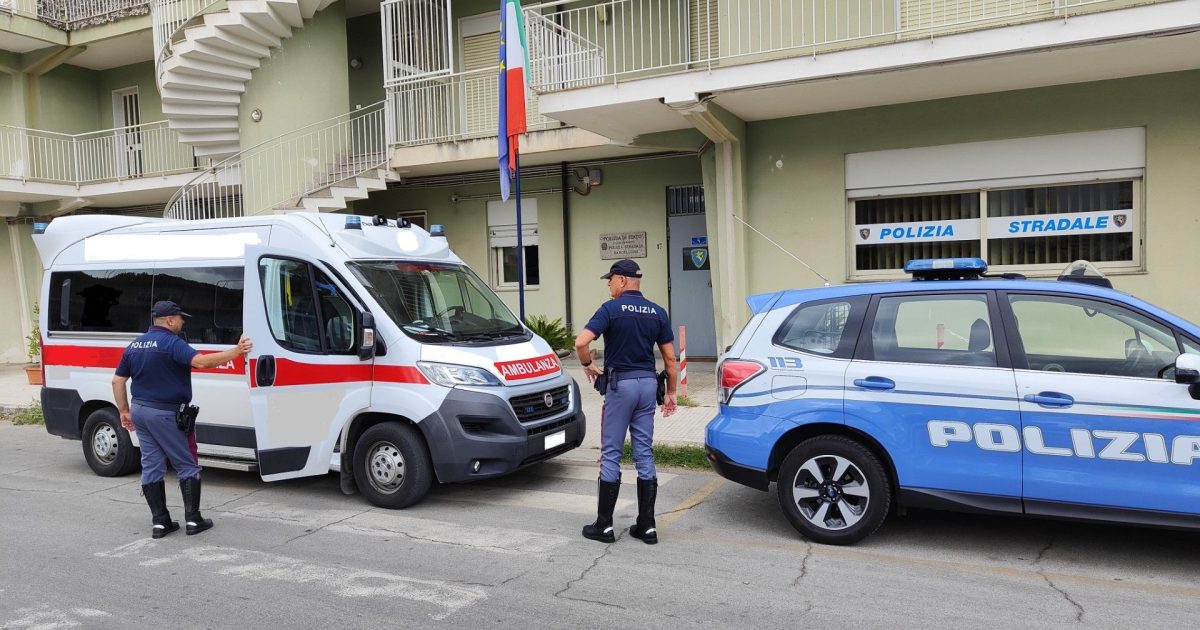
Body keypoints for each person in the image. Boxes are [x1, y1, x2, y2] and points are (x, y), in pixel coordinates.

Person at [111, 300, 252, 538]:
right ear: (169, 320)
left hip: (140, 411)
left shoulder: (135, 345)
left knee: (152, 464)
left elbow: (117, 380)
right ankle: (193, 520)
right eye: (180, 318)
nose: (183, 321)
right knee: (186, 463)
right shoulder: (171, 343)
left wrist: (124, 411)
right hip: (166, 413)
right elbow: (201, 362)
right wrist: (237, 351)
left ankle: (160, 522)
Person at [574, 259, 678, 545]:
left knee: (611, 453)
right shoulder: (657, 312)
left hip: (621, 387)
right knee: (644, 452)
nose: (608, 286)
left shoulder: (611, 309)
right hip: (647, 386)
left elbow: (581, 342)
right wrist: (671, 393)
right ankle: (647, 526)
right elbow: (670, 358)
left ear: (621, 280)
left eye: (610, 280)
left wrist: (587, 365)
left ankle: (604, 526)